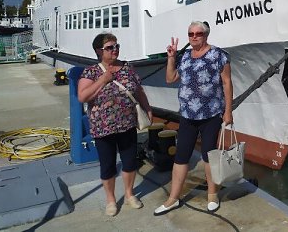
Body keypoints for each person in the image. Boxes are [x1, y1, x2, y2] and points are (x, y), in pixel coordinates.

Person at [154, 21, 233, 216]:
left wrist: (228, 111)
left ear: (206, 35)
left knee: (208, 155)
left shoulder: (218, 55)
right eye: (191, 34)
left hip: (210, 114)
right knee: (181, 156)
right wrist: (171, 58)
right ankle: (173, 199)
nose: (194, 37)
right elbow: (170, 78)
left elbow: (227, 82)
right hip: (188, 115)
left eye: (198, 33)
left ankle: (212, 195)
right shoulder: (185, 56)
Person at [78, 32, 153, 217]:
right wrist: (103, 80)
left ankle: (129, 194)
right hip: (103, 127)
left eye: (116, 46)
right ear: (99, 51)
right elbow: (82, 96)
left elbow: (139, 90)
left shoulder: (127, 68)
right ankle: (111, 200)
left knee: (130, 161)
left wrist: (147, 108)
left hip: (127, 124)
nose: (115, 50)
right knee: (108, 165)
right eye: (110, 47)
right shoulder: (91, 71)